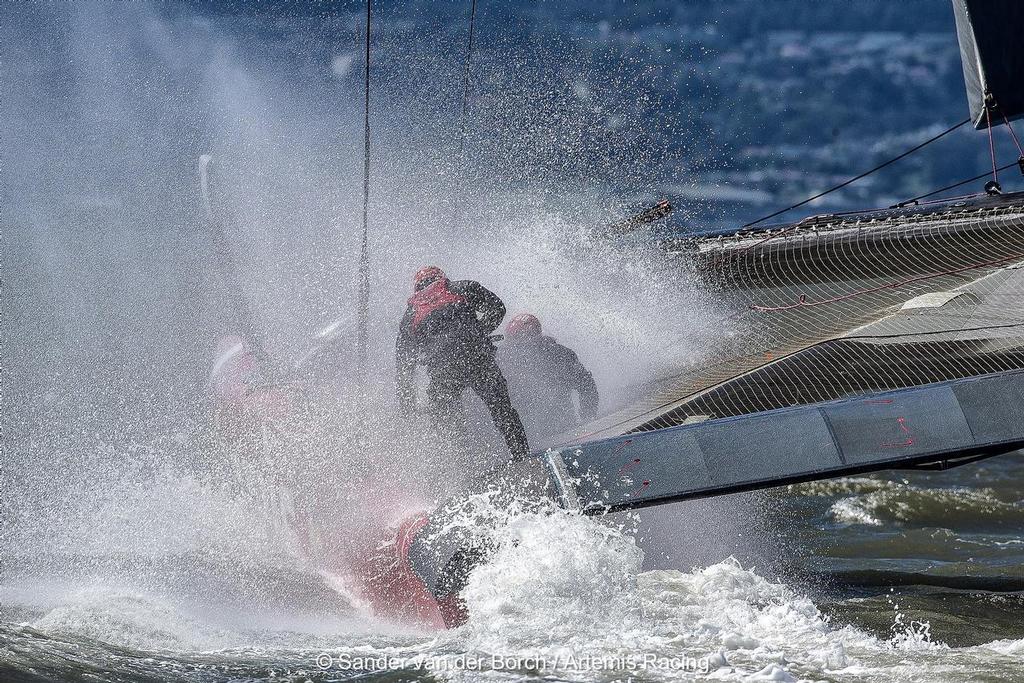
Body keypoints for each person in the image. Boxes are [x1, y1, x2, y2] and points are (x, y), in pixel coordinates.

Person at [396, 266, 530, 461]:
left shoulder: (410, 315)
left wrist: (407, 405)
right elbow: (498, 308)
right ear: (442, 278)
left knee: (449, 425)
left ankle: (461, 470)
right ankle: (522, 457)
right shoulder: (462, 287)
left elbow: (404, 367)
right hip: (477, 358)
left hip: (443, 371)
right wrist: (480, 332)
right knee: (501, 410)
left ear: (416, 288)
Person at [497, 313, 599, 441]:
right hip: (523, 434)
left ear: (533, 336)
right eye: (512, 340)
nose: (515, 346)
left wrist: (588, 419)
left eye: (518, 338)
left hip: (560, 429)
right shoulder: (502, 359)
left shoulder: (560, 355)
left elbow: (586, 385)